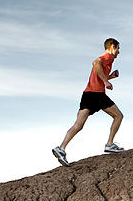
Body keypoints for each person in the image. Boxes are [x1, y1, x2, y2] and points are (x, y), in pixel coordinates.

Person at [52, 38, 124, 167]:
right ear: (113, 47)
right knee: (118, 116)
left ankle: (61, 148)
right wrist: (107, 82)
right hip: (97, 94)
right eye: (118, 48)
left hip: (88, 94)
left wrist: (110, 77)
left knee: (78, 125)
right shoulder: (108, 57)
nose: (119, 51)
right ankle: (110, 144)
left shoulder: (107, 60)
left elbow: (98, 74)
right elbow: (96, 63)